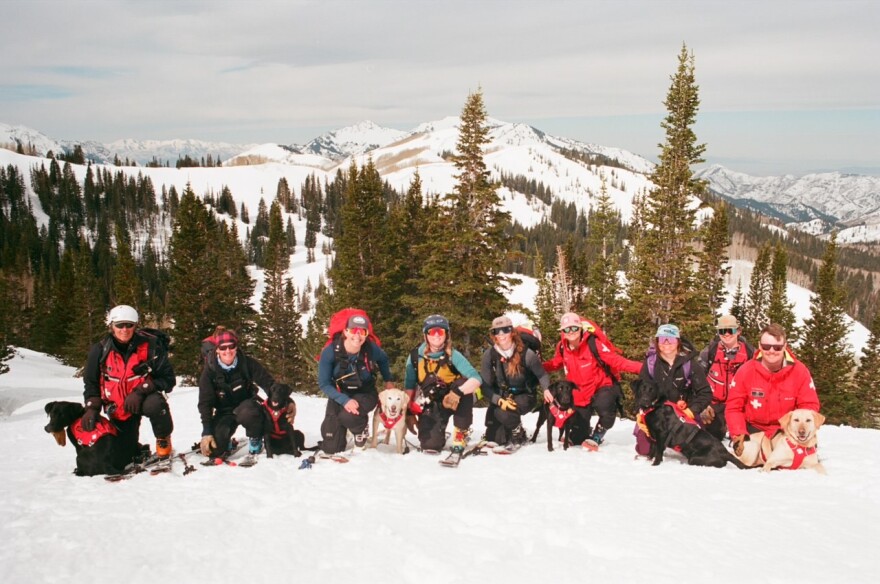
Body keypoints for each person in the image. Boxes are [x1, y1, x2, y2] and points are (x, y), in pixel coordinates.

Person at [82, 305, 176, 460]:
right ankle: (136, 449)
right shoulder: (99, 350)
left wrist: (141, 391)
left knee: (156, 404)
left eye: (129, 325)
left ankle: (163, 439)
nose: (124, 330)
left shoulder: (151, 347)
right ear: (112, 326)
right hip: (119, 407)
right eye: (119, 325)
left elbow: (168, 379)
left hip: (143, 399)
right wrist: (92, 407)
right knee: (122, 456)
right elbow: (91, 382)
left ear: (135, 326)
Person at [725, 323, 821, 466]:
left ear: (784, 346)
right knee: (746, 458)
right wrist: (738, 433)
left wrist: (799, 428)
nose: (771, 351)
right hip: (753, 429)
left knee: (795, 460)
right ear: (759, 345)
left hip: (785, 431)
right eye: (766, 346)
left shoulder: (799, 372)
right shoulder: (746, 371)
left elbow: (809, 406)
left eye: (777, 347)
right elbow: (734, 407)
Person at [542, 312, 641, 449]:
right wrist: (537, 367)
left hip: (601, 387)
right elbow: (555, 363)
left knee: (606, 408)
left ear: (580, 328)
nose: (571, 332)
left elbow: (617, 361)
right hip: (580, 394)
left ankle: (597, 436)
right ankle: (583, 431)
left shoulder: (594, 344)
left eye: (574, 328)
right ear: (562, 331)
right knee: (577, 438)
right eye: (567, 329)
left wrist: (643, 368)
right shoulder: (562, 347)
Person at [197, 326, 295, 457]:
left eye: (231, 346)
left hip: (247, 406)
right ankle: (225, 442)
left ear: (236, 347)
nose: (227, 351)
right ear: (217, 350)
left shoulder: (247, 363)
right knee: (214, 451)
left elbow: (270, 385)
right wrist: (207, 432)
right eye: (223, 348)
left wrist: (289, 402)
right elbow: (205, 403)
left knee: (250, 412)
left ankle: (255, 438)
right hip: (224, 411)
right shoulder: (209, 372)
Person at [317, 312, 395, 455]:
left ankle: (360, 429)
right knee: (331, 448)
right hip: (340, 392)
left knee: (349, 416)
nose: (358, 336)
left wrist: (388, 379)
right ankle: (342, 431)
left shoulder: (370, 348)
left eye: (362, 332)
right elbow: (324, 383)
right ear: (346, 331)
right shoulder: (330, 352)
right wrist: (344, 400)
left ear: (366, 334)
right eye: (354, 331)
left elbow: (383, 359)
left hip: (365, 392)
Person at [404, 314, 482, 454]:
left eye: (440, 331)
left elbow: (476, 379)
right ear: (425, 335)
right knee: (430, 445)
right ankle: (438, 434)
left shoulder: (453, 355)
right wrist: (408, 411)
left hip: (454, 399)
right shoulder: (416, 356)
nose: (436, 335)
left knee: (463, 383)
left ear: (446, 334)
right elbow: (409, 386)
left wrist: (457, 393)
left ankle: (461, 432)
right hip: (432, 401)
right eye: (432, 331)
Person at [633, 323, 712, 456]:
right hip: (655, 414)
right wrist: (641, 414)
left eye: (671, 339)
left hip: (682, 413)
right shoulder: (651, 364)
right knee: (645, 450)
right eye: (663, 339)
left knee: (698, 450)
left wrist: (692, 411)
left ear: (678, 342)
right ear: (657, 342)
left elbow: (705, 393)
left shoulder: (690, 364)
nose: (667, 343)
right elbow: (642, 391)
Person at [480, 315, 550, 449]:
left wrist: (546, 389)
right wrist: (498, 400)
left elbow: (541, 374)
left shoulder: (526, 354)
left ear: (512, 332)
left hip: (525, 395)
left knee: (503, 413)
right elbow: (485, 385)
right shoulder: (490, 355)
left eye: (505, 330)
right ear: (493, 334)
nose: (501, 335)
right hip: (502, 396)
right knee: (493, 436)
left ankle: (519, 433)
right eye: (497, 331)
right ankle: (508, 430)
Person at [698, 314, 755, 440]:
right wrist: (703, 404)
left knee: (746, 438)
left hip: (740, 406)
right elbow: (697, 380)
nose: (726, 334)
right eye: (722, 331)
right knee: (710, 436)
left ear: (738, 331)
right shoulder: (709, 352)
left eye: (731, 330)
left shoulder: (751, 354)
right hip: (714, 404)